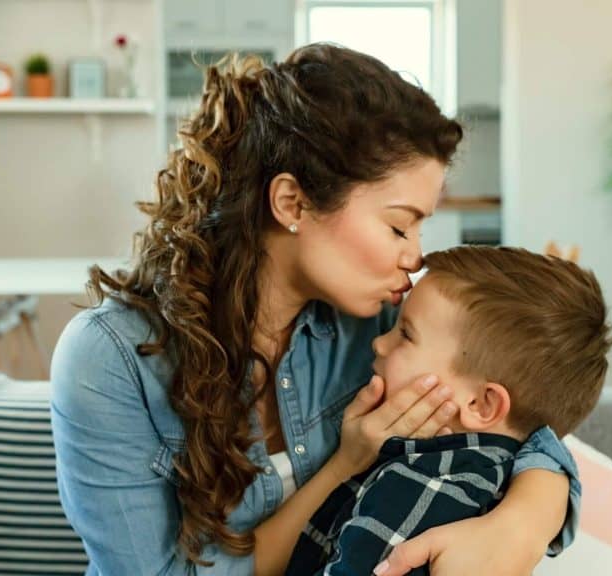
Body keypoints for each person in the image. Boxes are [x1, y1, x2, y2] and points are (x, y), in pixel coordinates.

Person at [50, 43, 574, 576]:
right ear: (292, 203)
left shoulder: (381, 327)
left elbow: (524, 420)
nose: (414, 255)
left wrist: (522, 522)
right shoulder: (112, 359)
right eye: (398, 225)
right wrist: (344, 465)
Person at [286, 245, 612, 575]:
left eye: (405, 334)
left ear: (480, 404)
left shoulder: (418, 483)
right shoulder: (501, 470)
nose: (379, 343)